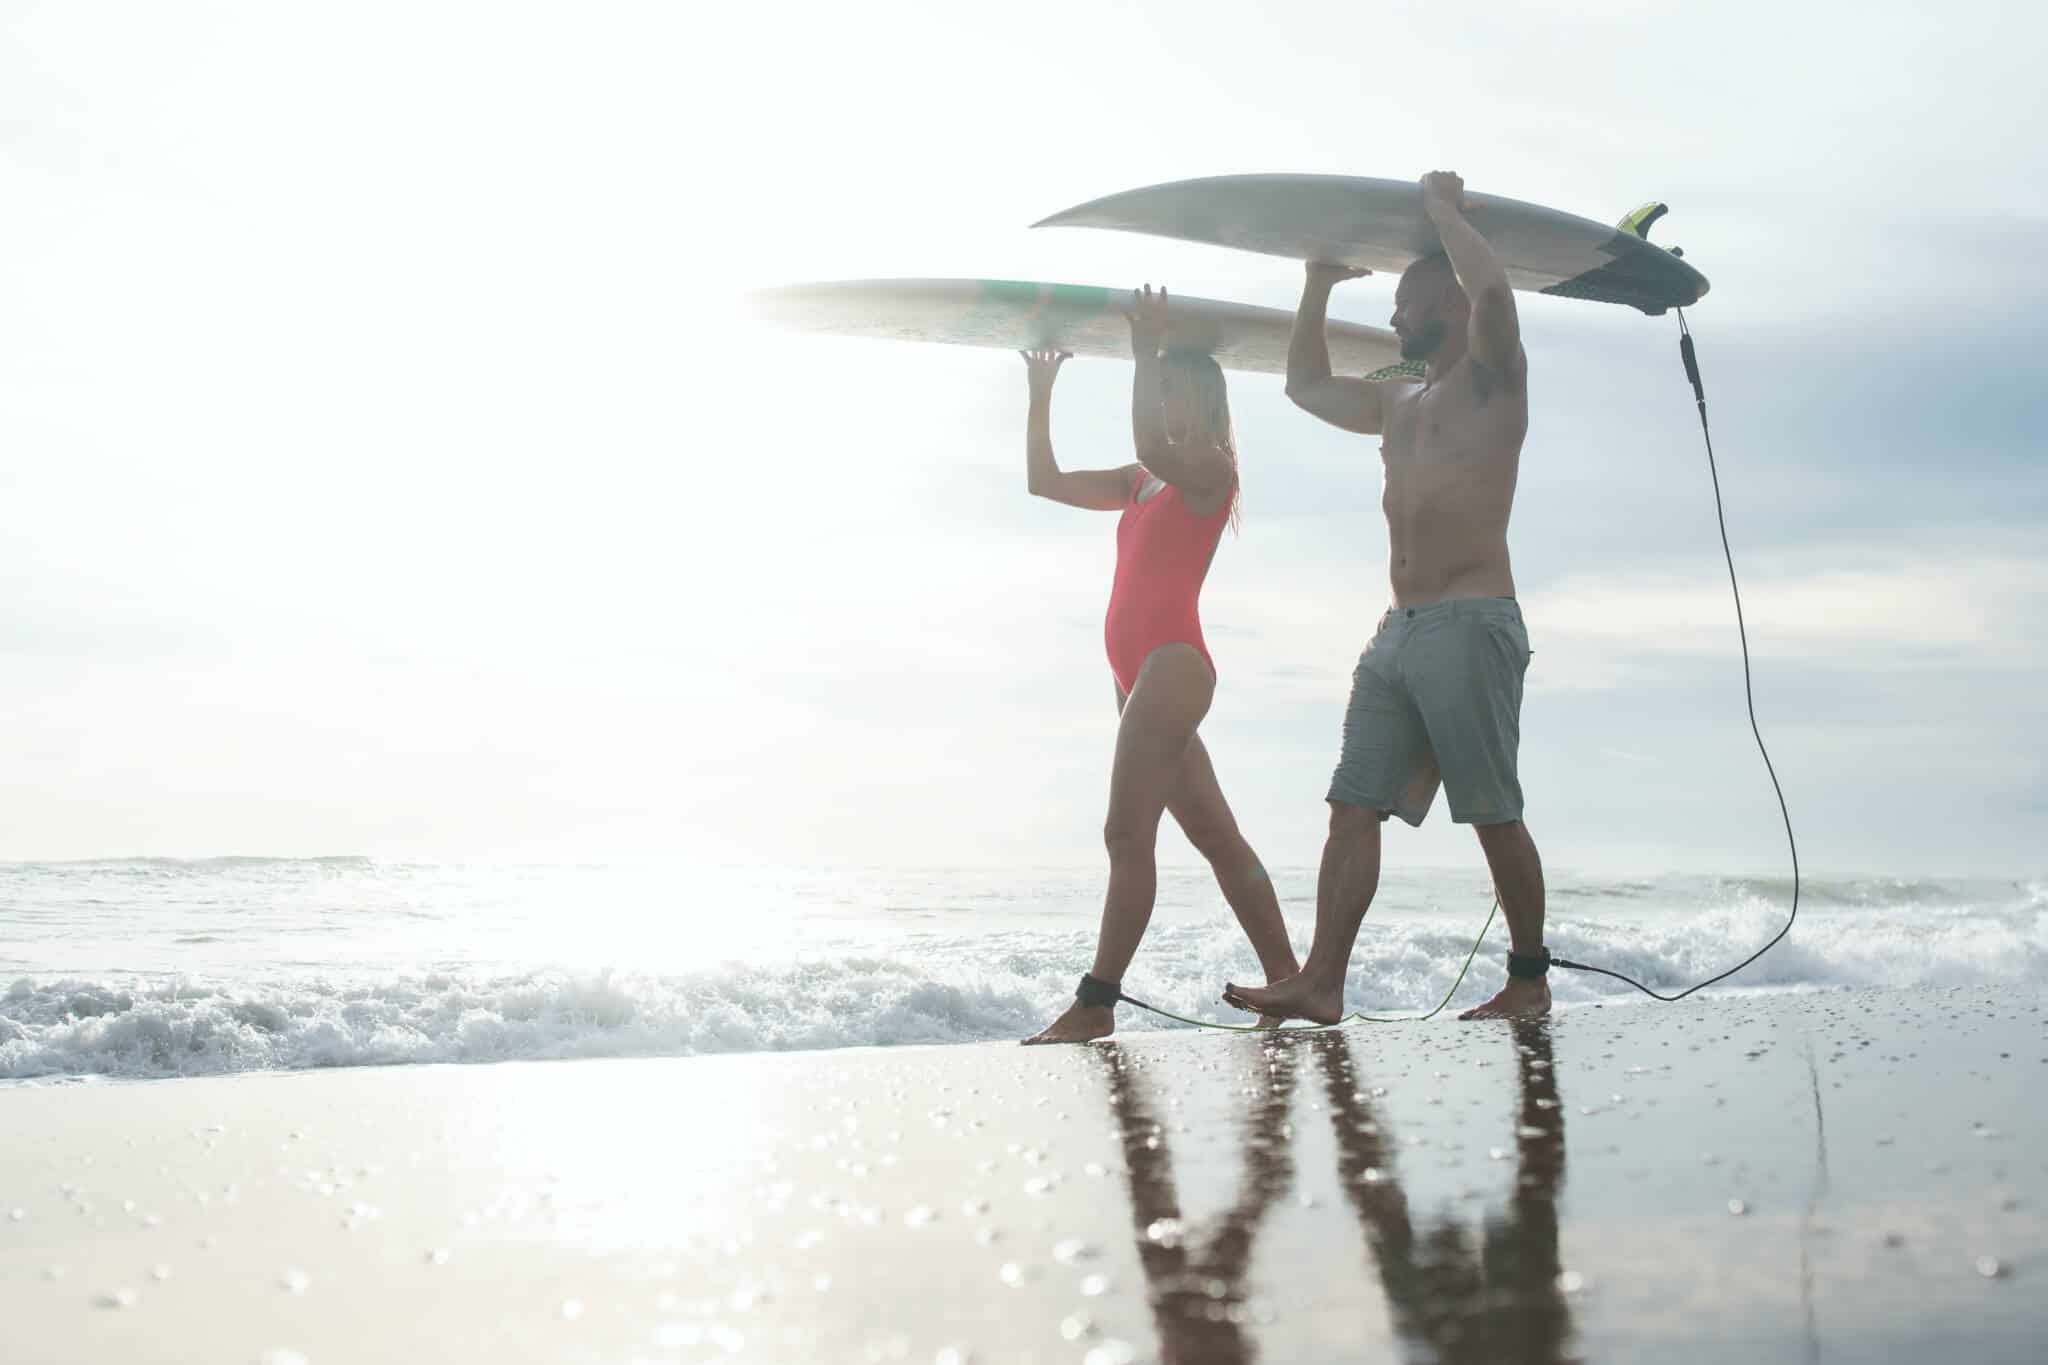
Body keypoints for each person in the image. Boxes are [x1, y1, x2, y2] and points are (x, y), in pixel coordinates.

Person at [1224, 171, 1552, 1024]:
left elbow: (1496, 297)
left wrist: (1446, 214)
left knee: (1493, 815)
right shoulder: (1400, 388)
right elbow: (1306, 385)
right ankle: (1322, 980)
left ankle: (1528, 978)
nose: (1399, 314)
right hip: (1399, 630)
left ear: (1451, 293)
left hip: (1473, 620)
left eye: (1412, 296)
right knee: (1351, 802)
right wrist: (1314, 288)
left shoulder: (1495, 374)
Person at [1019, 285, 1298, 1044]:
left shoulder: (1212, 471)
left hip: (1173, 666)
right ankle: (1289, 982)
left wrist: (1145, 349)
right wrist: (1041, 390)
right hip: (1131, 673)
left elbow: (1151, 444)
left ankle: (1097, 1000)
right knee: (1216, 836)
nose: (1163, 402)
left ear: (1202, 401)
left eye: (1172, 390)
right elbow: (1044, 480)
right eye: (1159, 389)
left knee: (1124, 834)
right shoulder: (1140, 483)